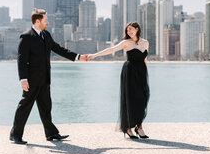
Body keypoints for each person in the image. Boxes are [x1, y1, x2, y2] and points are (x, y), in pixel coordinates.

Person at [9, 8, 88, 144]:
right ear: (38, 21)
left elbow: (59, 49)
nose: (48, 22)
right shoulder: (26, 36)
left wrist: (78, 57)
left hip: (45, 78)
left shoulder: (46, 35)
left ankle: (51, 134)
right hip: (31, 80)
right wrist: (23, 79)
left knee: (46, 107)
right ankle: (15, 134)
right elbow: (21, 60)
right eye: (46, 20)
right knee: (25, 107)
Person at [88, 22, 150, 139]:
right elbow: (111, 49)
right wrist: (94, 55)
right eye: (127, 30)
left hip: (141, 74)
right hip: (130, 73)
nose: (129, 32)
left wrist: (146, 73)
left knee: (142, 99)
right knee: (130, 100)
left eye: (131, 29)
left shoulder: (145, 42)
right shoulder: (126, 43)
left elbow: (145, 59)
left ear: (137, 29)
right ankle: (128, 127)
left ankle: (138, 126)